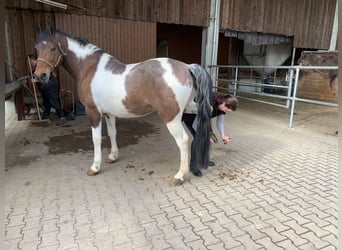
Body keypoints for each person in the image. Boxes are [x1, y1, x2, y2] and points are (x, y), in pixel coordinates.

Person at [182, 92, 238, 173]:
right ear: (224, 103)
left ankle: (204, 160)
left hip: (203, 119)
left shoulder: (221, 106)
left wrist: (223, 135)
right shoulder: (208, 103)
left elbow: (220, 122)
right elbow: (196, 125)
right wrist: (207, 135)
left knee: (207, 139)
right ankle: (193, 166)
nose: (227, 111)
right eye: (227, 109)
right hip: (191, 117)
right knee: (198, 140)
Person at [28, 55, 66, 125]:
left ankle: (62, 116)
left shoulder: (42, 66)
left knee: (53, 101)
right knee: (46, 102)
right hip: (43, 88)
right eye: (30, 62)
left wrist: (36, 80)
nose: (31, 63)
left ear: (36, 60)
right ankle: (46, 116)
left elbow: (45, 77)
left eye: (32, 61)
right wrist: (32, 76)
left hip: (49, 86)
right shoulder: (36, 68)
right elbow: (34, 74)